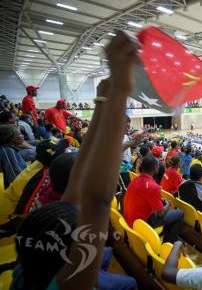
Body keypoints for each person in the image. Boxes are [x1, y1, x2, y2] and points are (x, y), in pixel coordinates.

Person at [12, 32, 139, 289]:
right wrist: (121, 92)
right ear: (74, 258)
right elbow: (97, 202)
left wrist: (103, 102)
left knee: (104, 251)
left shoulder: (29, 261)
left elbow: (75, 190)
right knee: (128, 282)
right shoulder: (72, 283)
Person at [124, 155, 184, 243]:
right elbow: (161, 214)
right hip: (142, 223)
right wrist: (167, 204)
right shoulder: (153, 187)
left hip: (130, 219)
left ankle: (164, 233)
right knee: (180, 213)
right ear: (156, 168)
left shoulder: (135, 179)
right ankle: (169, 243)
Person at [0, 124, 27, 189]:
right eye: (19, 134)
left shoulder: (10, 149)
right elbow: (16, 177)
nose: (22, 136)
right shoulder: (8, 151)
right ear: (13, 139)